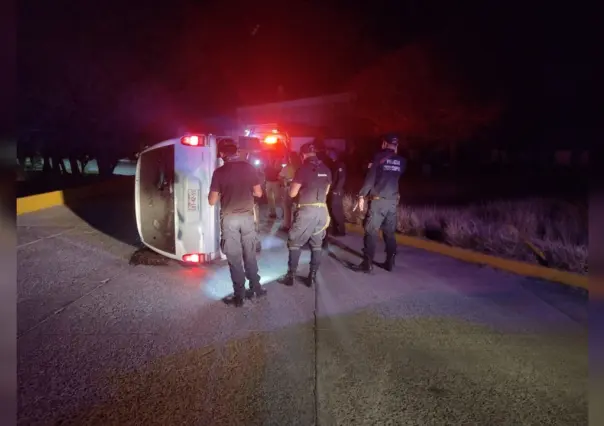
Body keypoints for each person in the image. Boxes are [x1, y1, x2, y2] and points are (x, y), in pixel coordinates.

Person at [208, 139, 267, 307]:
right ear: (236, 152)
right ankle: (256, 288)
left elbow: (212, 201)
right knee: (250, 253)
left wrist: (221, 193)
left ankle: (239, 296)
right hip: (247, 217)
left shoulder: (219, 172)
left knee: (234, 257)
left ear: (221, 154)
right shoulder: (249, 168)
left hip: (229, 218)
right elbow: (258, 193)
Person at [352, 134, 406, 273]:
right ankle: (390, 263)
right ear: (396, 145)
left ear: (384, 144)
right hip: (392, 202)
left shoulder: (378, 158)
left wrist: (361, 196)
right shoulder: (401, 161)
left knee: (371, 231)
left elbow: (370, 179)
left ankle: (367, 264)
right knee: (389, 233)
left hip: (378, 202)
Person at [283, 141, 332, 287]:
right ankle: (312, 276)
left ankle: (290, 276)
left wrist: (290, 187)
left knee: (294, 241)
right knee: (317, 244)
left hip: (306, 211)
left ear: (303, 154)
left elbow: (293, 193)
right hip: (322, 211)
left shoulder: (302, 169)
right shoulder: (326, 169)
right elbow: (327, 191)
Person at [327, 150, 347, 236]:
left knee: (337, 211)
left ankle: (341, 231)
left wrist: (337, 190)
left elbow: (342, 178)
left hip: (337, 192)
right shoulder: (333, 164)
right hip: (333, 191)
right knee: (332, 210)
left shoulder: (340, 165)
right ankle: (335, 230)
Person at [278, 152, 298, 230]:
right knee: (296, 207)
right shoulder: (301, 166)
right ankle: (295, 224)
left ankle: (287, 225)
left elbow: (280, 177)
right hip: (300, 189)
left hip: (289, 188)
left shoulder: (287, 167)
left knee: (287, 207)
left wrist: (284, 182)